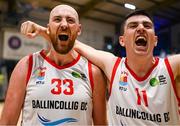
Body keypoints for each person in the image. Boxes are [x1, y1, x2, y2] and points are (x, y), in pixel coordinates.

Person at [20, 10, 180, 125]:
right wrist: (42, 30)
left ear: (156, 40)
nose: (141, 28)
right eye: (133, 25)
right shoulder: (113, 66)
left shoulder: (170, 67)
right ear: (122, 41)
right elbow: (72, 42)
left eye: (147, 25)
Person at [0, 5, 108, 125]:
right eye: (57, 19)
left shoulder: (93, 73)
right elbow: (7, 123)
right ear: (48, 28)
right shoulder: (27, 65)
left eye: (70, 20)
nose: (64, 25)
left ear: (79, 29)